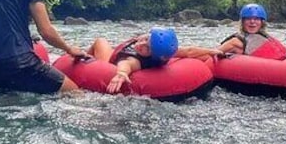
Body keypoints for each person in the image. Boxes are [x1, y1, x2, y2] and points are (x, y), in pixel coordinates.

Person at [85, 27, 223, 93]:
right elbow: (188, 51)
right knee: (101, 40)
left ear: (153, 55)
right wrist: (211, 51)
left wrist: (121, 73)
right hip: (120, 54)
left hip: (110, 63)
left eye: (146, 48)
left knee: (100, 41)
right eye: (145, 38)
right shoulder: (160, 50)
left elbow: (126, 64)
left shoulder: (138, 60)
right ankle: (86, 57)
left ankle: (85, 63)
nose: (140, 44)